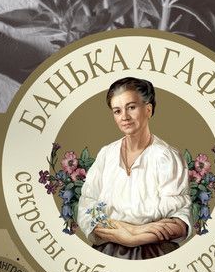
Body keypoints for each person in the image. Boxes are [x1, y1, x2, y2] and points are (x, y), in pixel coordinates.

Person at [76, 77, 192, 260]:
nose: (124, 117)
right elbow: (87, 209)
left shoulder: (166, 156)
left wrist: (134, 238)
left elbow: (180, 221)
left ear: (148, 109)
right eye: (117, 111)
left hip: (155, 253)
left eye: (131, 107)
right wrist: (130, 232)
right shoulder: (106, 154)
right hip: (107, 252)